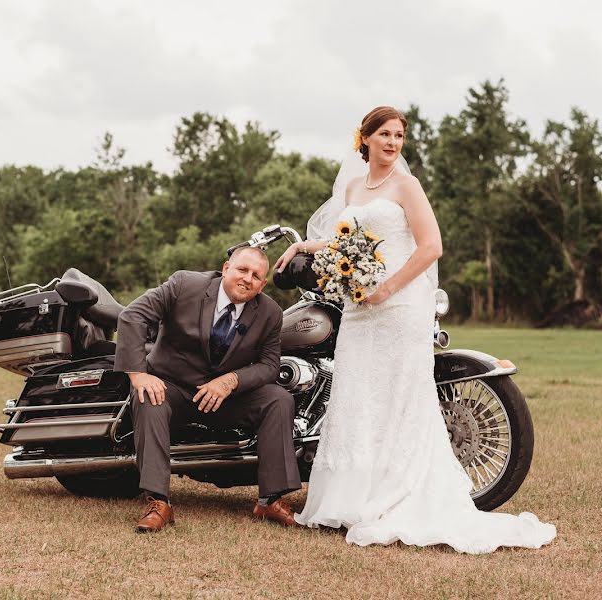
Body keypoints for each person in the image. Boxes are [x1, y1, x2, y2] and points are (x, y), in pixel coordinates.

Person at [273, 106, 556, 553]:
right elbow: (346, 242)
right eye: (384, 134)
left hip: (400, 305)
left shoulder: (408, 186)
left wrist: (387, 288)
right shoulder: (352, 186)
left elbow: (431, 247)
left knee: (399, 395)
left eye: (399, 135)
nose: (392, 142)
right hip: (360, 307)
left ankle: (398, 493)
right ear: (363, 139)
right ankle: (351, 499)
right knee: (357, 393)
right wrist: (306, 246)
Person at [115, 247, 301, 532]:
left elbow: (269, 365)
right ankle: (159, 502)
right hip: (172, 388)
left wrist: (230, 381)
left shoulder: (270, 313)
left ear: (263, 284)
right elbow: (133, 316)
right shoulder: (184, 284)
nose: (247, 279)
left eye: (256, 276)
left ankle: (269, 501)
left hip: (224, 399)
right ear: (226, 268)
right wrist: (139, 375)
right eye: (242, 270)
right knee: (148, 397)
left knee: (278, 399)